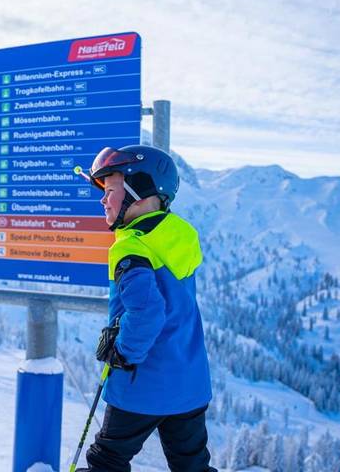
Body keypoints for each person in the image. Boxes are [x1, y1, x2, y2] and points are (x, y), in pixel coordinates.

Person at [74, 145, 215, 472]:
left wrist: (122, 352)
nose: (103, 200)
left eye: (110, 190)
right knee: (192, 465)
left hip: (143, 386)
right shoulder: (178, 235)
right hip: (189, 383)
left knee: (106, 461)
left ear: (138, 190)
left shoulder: (130, 249)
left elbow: (149, 312)